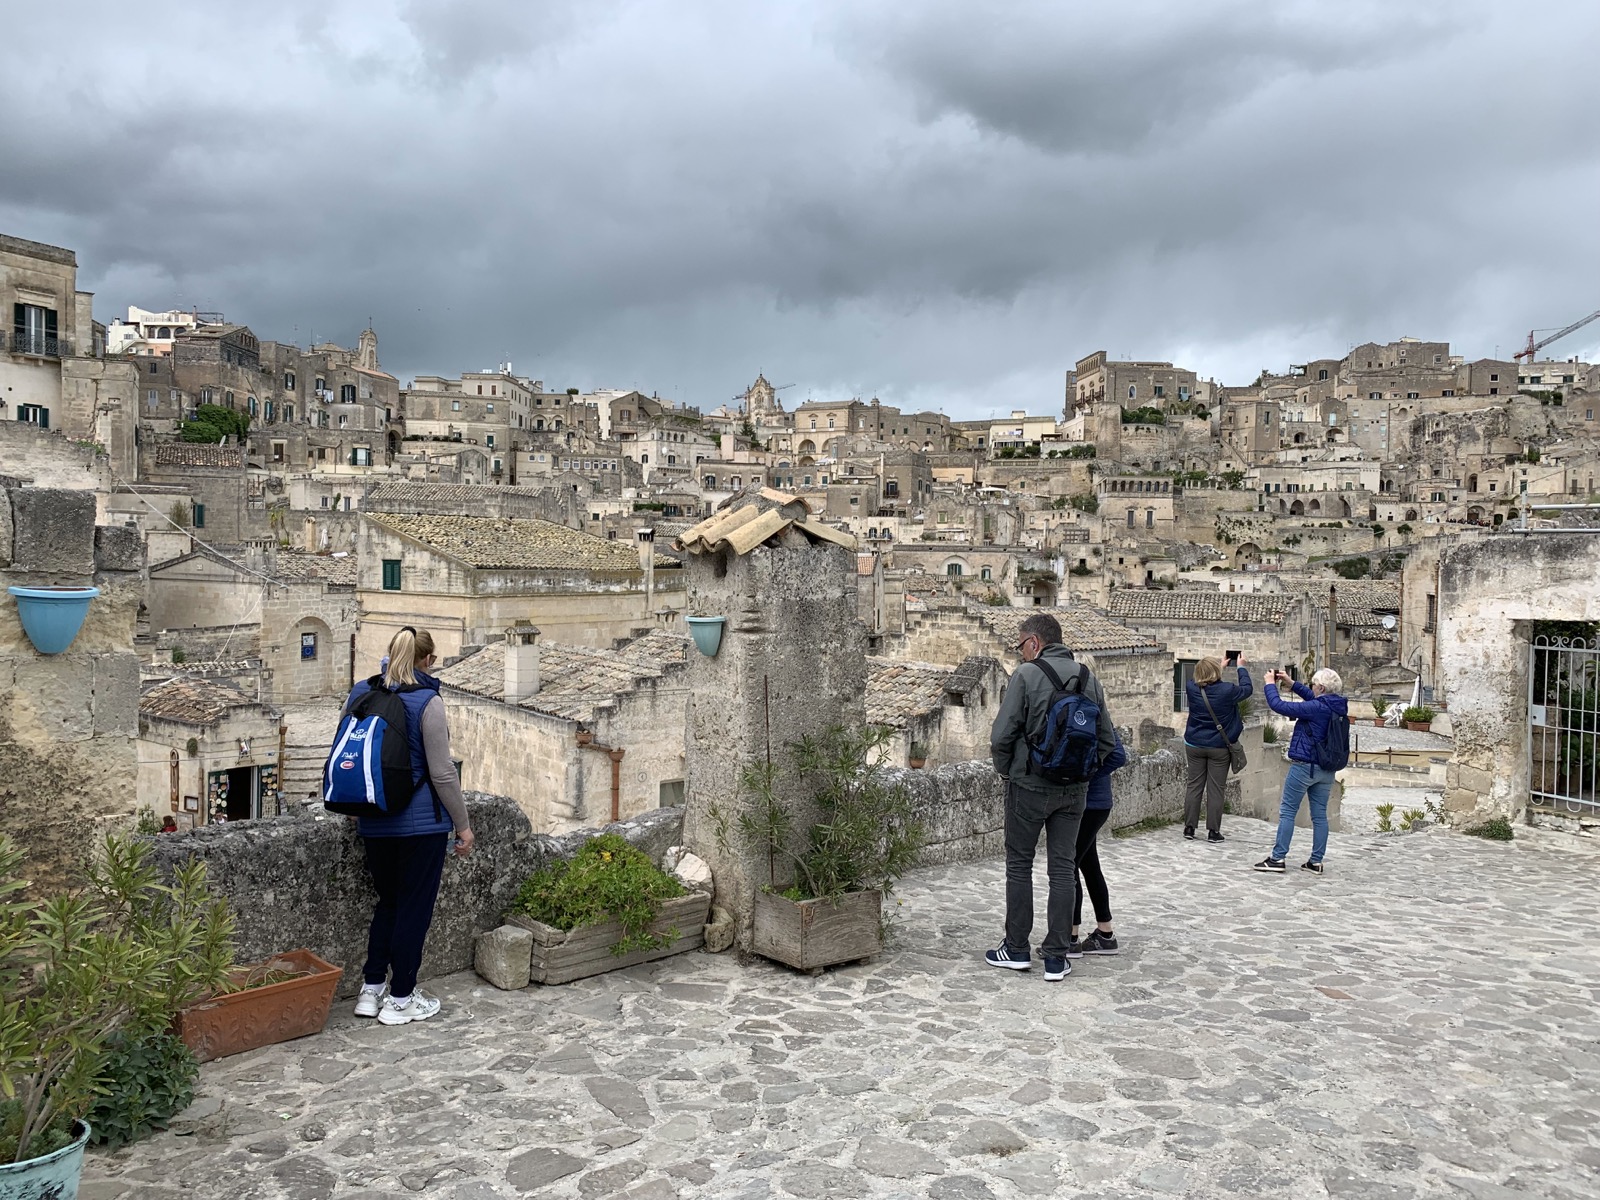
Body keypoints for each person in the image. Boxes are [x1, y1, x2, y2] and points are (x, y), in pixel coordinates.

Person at [342, 627, 475, 1025]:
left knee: (389, 903)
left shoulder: (359, 693)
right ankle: (400, 999)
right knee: (414, 910)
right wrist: (463, 826)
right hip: (421, 827)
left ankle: (370, 991)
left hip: (374, 821)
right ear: (428, 660)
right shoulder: (427, 701)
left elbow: (346, 751)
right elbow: (443, 773)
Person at [988, 614, 1117, 982]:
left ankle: (1015, 949)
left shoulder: (1027, 676)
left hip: (1028, 785)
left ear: (1033, 642)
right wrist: (1081, 774)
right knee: (1062, 868)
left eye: (1020, 645)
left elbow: (1002, 735)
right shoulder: (1089, 678)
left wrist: (1006, 768)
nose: (1020, 653)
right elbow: (1107, 742)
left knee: (1019, 865)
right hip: (1074, 791)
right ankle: (1057, 957)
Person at [1254, 667, 1348, 875]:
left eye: (1314, 685)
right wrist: (1291, 683)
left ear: (1321, 687)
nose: (1312, 687)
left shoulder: (1317, 708)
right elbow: (1315, 700)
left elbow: (1278, 705)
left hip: (1305, 766)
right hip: (1326, 769)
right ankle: (1316, 861)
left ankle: (1277, 858)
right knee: (1319, 816)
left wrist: (1270, 683)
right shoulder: (1337, 705)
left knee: (1288, 811)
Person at [1068, 727, 1127, 958]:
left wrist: (1084, 774)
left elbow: (1118, 755)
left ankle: (1070, 938)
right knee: (1090, 867)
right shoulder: (1096, 710)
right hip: (1097, 803)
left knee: (1068, 866)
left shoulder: (1091, 713)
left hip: (1088, 804)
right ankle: (1105, 933)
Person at [1182, 654, 1253, 843]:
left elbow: (1199, 678)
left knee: (1194, 785)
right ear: (1216, 672)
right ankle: (1213, 831)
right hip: (1219, 747)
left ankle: (1189, 828)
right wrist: (1241, 668)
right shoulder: (1227, 691)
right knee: (1216, 789)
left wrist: (1215, 667)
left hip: (1194, 744)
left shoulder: (1191, 687)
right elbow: (1247, 689)